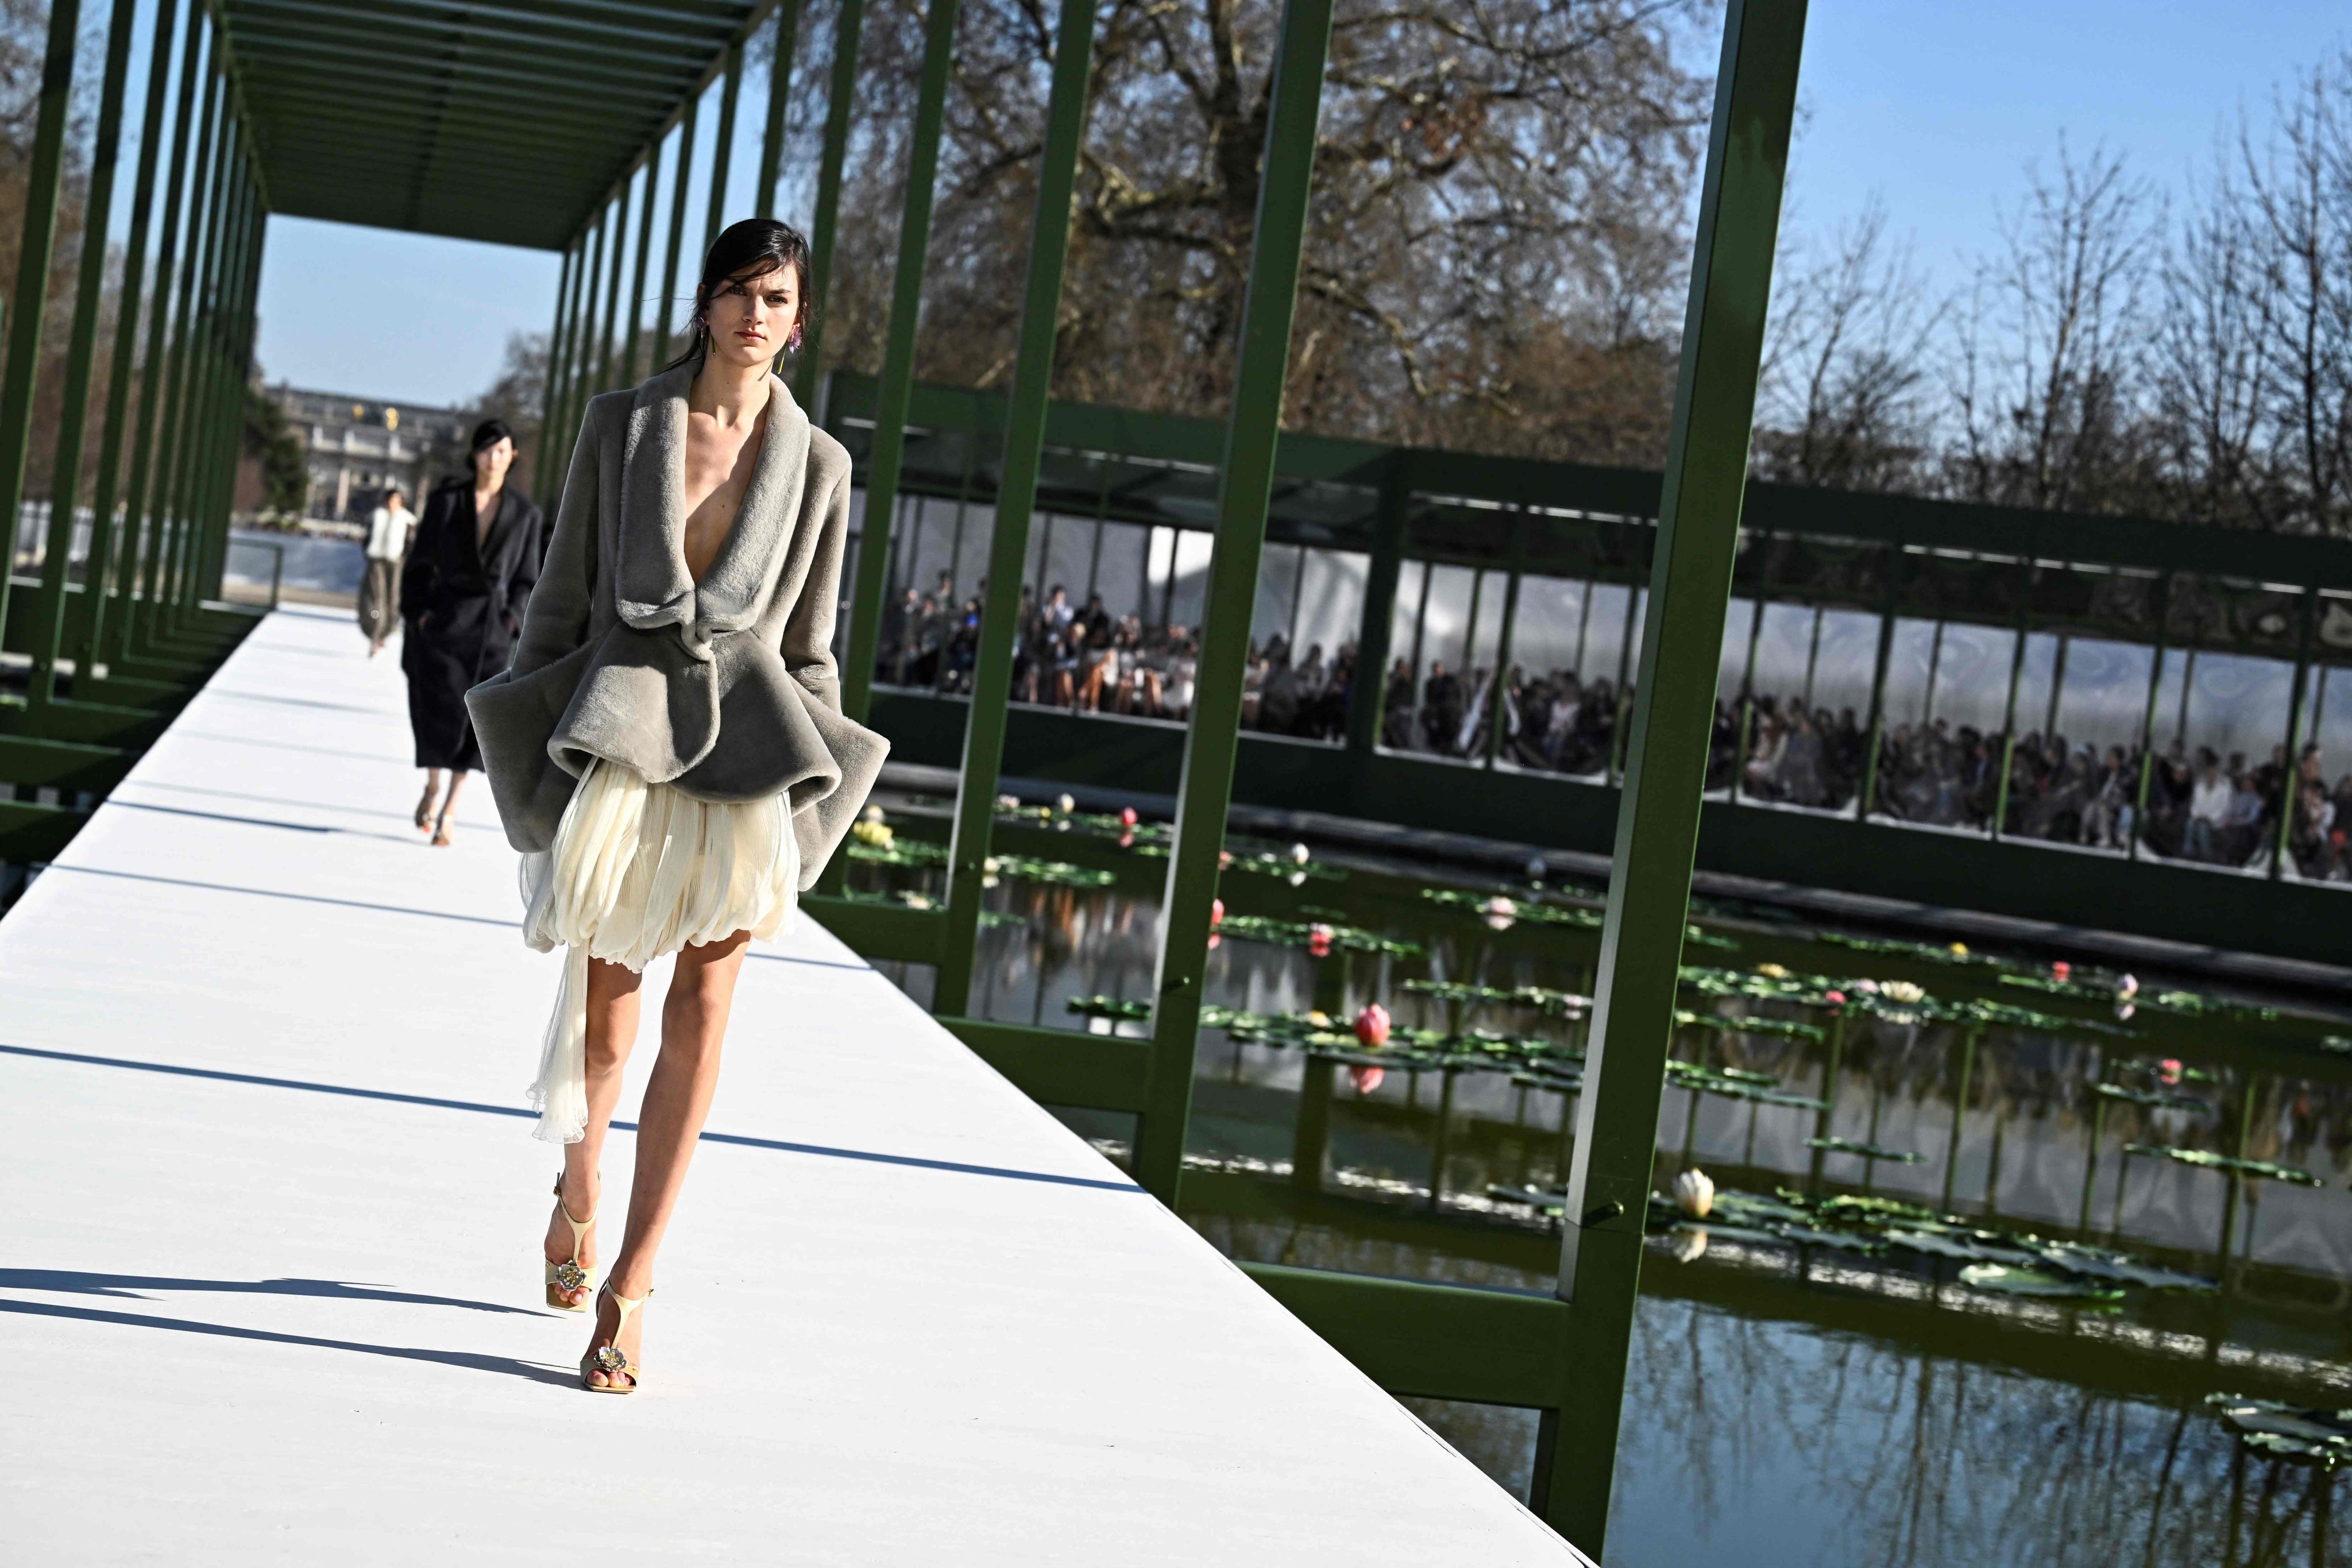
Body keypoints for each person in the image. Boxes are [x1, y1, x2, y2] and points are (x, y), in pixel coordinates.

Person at [465, 218, 885, 1395]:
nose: (758, 315)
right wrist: (530, 742)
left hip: (747, 759)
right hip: (623, 743)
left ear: (800, 324)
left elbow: (810, 650)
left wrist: (813, 812)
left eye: (780, 299)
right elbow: (558, 606)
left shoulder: (821, 467)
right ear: (706, 305)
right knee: (606, 1023)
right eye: (742, 292)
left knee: (705, 1009)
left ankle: (632, 1287)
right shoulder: (623, 423)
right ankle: (581, 1187)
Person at [400, 421, 543, 846]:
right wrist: (421, 613)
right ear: (474, 454)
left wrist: (513, 619)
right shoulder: (447, 502)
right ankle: (431, 785)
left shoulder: (525, 514)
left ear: (512, 456)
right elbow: (419, 563)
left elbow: (527, 576)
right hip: (444, 622)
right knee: (436, 708)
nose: (493, 458)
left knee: (475, 720)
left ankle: (452, 806)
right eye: (486, 450)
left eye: (501, 451)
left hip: (492, 632)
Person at [358, 486, 414, 656]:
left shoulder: (408, 521)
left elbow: (410, 544)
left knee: (393, 599)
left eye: (397, 500)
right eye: (390, 500)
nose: (393, 504)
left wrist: (403, 559)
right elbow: (367, 539)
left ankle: (386, 631)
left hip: (396, 563)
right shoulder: (377, 516)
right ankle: (375, 632)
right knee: (376, 599)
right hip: (376, 561)